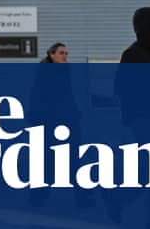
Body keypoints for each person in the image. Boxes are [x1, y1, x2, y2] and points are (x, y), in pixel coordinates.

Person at [105, 7, 150, 229]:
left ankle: (117, 198)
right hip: (143, 118)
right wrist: (147, 103)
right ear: (149, 28)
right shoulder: (134, 54)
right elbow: (121, 86)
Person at [27, 43, 93, 208]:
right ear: (52, 55)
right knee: (49, 159)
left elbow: (67, 97)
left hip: (68, 119)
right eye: (61, 53)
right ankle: (39, 195)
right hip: (53, 121)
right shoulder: (46, 73)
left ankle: (80, 196)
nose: (65, 56)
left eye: (66, 53)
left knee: (71, 159)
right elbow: (37, 97)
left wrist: (74, 114)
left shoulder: (63, 72)